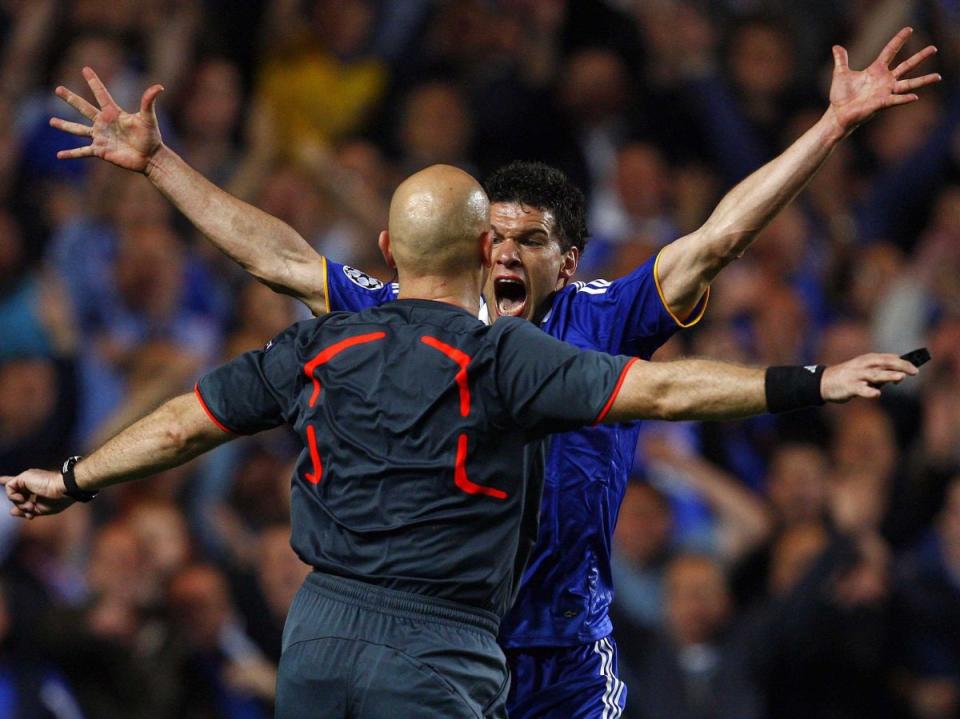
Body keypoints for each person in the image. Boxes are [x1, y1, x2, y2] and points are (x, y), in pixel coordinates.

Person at [47, 28, 939, 717]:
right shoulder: (422, 321)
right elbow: (281, 258)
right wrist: (162, 166)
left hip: (561, 652)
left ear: (569, 258)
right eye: (495, 237)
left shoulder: (606, 317)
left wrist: (829, 127)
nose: (506, 253)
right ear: (473, 248)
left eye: (529, 241)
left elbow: (719, 236)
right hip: (447, 637)